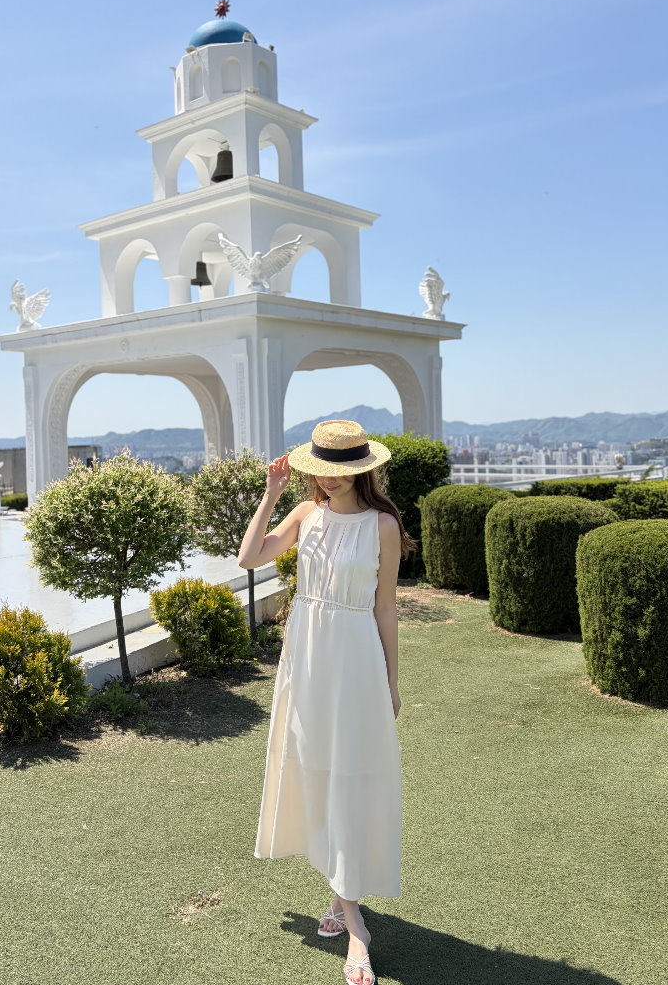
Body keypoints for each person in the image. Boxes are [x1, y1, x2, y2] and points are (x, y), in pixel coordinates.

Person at [238, 419, 418, 985]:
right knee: (315, 772)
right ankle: (343, 899)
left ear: (363, 470)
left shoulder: (383, 525)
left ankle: (355, 923)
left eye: (340, 471)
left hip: (355, 657)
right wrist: (271, 494)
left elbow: (385, 607)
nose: (329, 480)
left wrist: (391, 681)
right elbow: (248, 557)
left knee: (352, 777)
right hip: (306, 658)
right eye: (321, 470)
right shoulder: (304, 515)